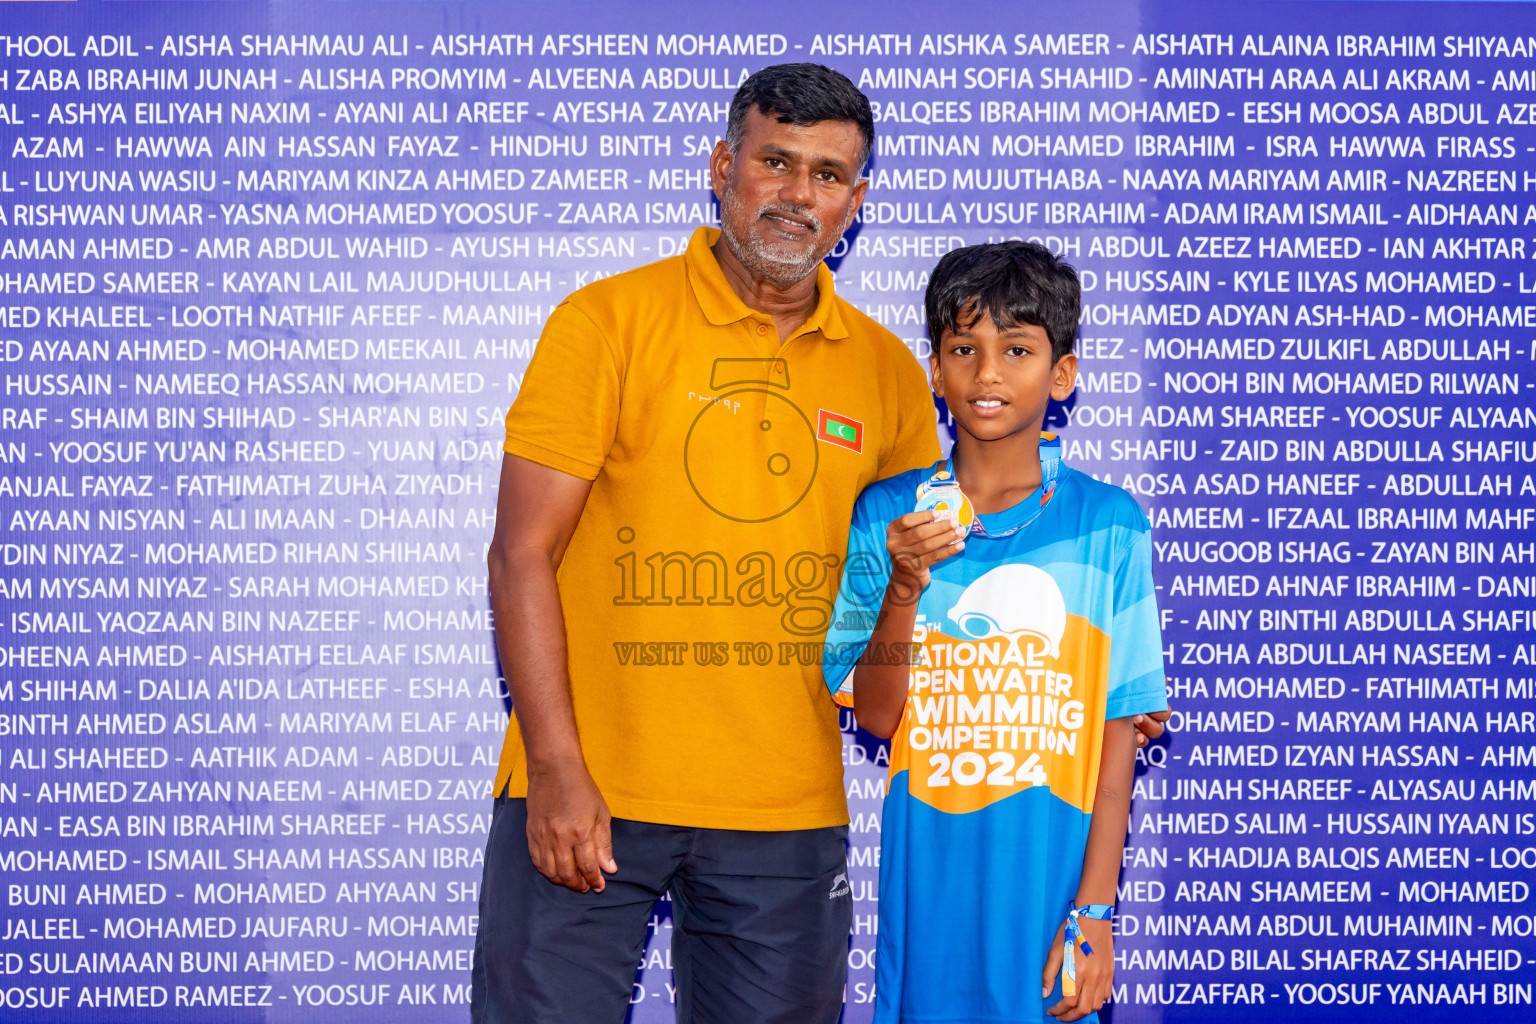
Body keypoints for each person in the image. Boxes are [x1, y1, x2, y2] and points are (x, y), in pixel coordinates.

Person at [472, 64, 1167, 1024]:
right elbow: (520, 556)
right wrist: (553, 764)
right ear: (723, 168)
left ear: (857, 201)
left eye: (829, 174)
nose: (801, 195)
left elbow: (928, 599)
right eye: (776, 162)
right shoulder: (605, 321)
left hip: (786, 823)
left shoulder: (890, 375)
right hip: (590, 794)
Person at [822, 241, 1170, 1024]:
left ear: (1062, 374)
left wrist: (1095, 914)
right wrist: (904, 585)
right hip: (929, 888)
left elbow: (1122, 735)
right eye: (963, 349)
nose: (986, 373)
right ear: (936, 370)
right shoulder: (885, 516)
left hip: (1052, 892)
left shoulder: (1110, 526)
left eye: (1016, 350)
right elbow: (876, 716)